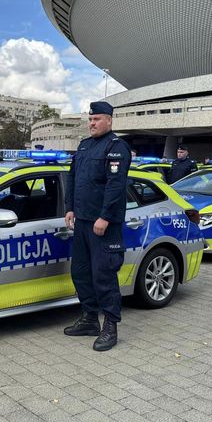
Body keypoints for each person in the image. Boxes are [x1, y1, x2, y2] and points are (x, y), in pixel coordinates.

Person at [64, 101, 131, 351]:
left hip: (103, 225)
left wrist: (105, 216)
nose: (92, 123)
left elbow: (115, 185)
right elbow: (72, 178)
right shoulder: (84, 146)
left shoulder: (116, 147)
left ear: (110, 121)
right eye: (90, 120)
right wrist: (69, 207)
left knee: (103, 276)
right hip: (81, 222)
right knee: (80, 273)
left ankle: (110, 326)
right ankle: (89, 319)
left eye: (97, 119)